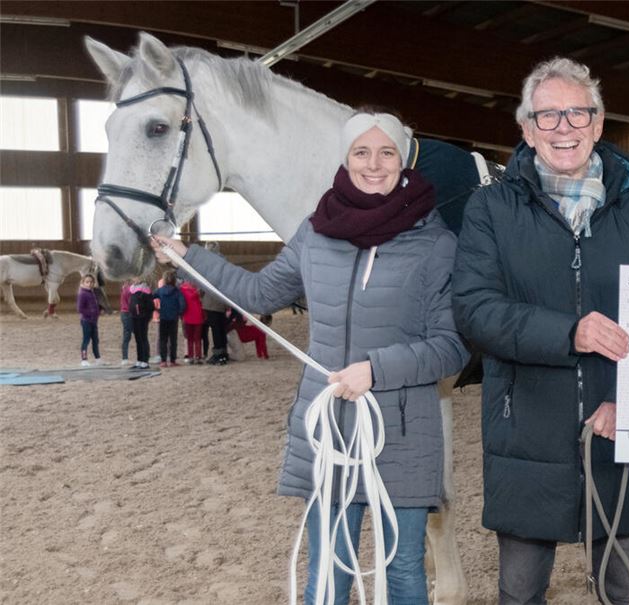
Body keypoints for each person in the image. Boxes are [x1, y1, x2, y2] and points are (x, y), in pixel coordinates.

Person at [151, 108, 469, 605]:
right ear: (345, 159)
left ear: (404, 160)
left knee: (403, 570)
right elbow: (257, 294)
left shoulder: (435, 243)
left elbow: (450, 348)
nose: (373, 163)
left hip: (405, 436)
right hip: (331, 433)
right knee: (328, 567)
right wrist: (188, 258)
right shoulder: (315, 234)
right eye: (361, 152)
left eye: (386, 152)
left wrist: (376, 370)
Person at [451, 57, 629, 605]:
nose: (564, 128)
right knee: (520, 589)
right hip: (525, 432)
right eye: (548, 116)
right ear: (527, 129)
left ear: (599, 123)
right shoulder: (490, 209)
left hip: (617, 428)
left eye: (577, 114)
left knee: (625, 588)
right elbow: (474, 309)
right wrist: (568, 333)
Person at [200, 242, 230, 365]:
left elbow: (203, 283)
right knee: (221, 328)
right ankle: (223, 353)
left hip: (211, 301)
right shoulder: (224, 262)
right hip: (221, 301)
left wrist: (201, 293)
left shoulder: (208, 264)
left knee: (216, 329)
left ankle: (218, 355)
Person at [155, 270, 186, 367]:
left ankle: (163, 360)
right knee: (173, 340)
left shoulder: (160, 291)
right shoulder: (177, 291)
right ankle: (172, 360)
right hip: (173, 318)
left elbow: (151, 297)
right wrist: (178, 312)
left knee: (163, 339)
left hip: (163, 317)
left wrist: (156, 309)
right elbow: (183, 305)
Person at [76, 273, 105, 366]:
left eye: (91, 282)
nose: (89, 284)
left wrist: (99, 310)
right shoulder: (82, 293)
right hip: (86, 320)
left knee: (95, 340)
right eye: (87, 282)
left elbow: (94, 305)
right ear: (83, 283)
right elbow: (80, 309)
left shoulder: (92, 292)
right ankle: (84, 359)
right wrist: (91, 313)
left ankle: (98, 358)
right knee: (86, 339)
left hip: (94, 321)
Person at [128, 280, 155, 369]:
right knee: (137, 339)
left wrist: (146, 315)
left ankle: (145, 360)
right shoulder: (132, 289)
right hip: (134, 317)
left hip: (142, 317)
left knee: (143, 338)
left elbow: (151, 306)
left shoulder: (145, 290)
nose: (135, 279)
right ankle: (139, 360)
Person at [180, 279, 205, 364]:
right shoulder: (198, 290)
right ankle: (198, 356)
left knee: (190, 338)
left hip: (187, 316)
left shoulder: (182, 289)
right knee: (197, 339)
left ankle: (191, 357)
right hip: (197, 315)